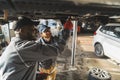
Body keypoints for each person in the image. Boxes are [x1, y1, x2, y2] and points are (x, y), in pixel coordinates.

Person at [0, 16, 65, 80]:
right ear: (22, 30)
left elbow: (15, 71)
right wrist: (67, 29)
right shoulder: (23, 47)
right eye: (32, 29)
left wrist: (36, 75)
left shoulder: (13, 46)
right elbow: (57, 49)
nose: (35, 31)